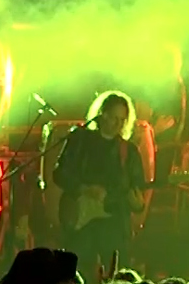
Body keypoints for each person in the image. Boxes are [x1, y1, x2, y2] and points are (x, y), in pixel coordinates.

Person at [55, 91, 147, 269]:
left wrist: (138, 204)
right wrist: (84, 189)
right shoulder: (80, 140)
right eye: (114, 118)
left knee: (116, 271)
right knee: (79, 270)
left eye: (122, 120)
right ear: (102, 115)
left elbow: (137, 189)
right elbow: (59, 174)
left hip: (115, 224)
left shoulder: (129, 152)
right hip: (81, 221)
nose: (118, 124)